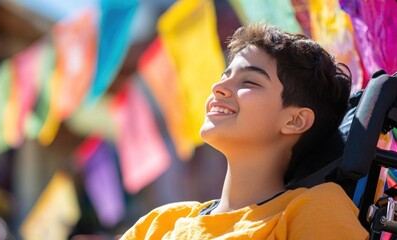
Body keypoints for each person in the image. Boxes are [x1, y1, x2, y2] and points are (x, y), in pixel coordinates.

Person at [119, 23, 369, 239]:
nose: (218, 87)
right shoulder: (161, 223)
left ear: (295, 121)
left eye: (249, 82)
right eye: (224, 76)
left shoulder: (312, 209)